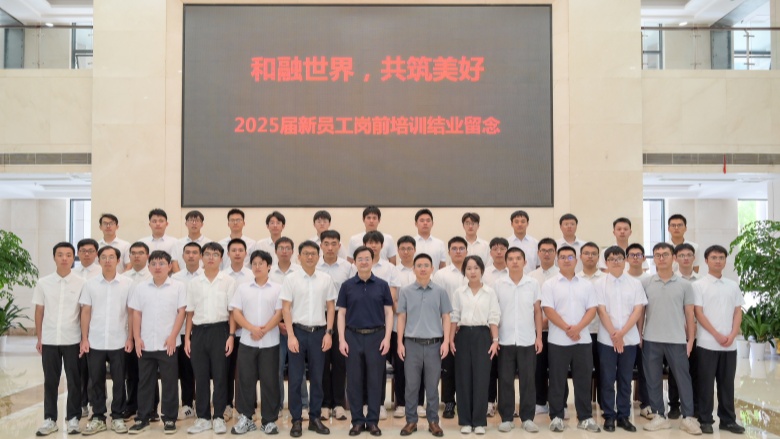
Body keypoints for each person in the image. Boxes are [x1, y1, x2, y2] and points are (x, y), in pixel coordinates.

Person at [641, 243, 702, 435]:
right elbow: (641, 312)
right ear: (653, 259)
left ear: (673, 257)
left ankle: (688, 417)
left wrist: (690, 340)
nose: (661, 258)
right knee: (653, 379)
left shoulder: (685, 285)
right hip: (651, 339)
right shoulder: (646, 283)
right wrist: (640, 335)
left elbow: (690, 314)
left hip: (677, 339)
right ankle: (659, 415)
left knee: (683, 378)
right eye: (657, 255)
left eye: (665, 254)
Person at [280, 241, 337, 437]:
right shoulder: (291, 279)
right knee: (295, 379)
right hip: (297, 332)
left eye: (313, 253)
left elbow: (331, 307)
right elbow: (286, 308)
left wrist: (329, 333)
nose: (310, 257)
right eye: (306, 253)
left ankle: (315, 418)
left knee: (318, 378)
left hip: (319, 333)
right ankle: (296, 420)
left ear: (318, 257)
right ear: (299, 257)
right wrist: (291, 336)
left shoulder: (325, 279)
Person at [541, 246, 600, 433]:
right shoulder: (549, 284)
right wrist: (568, 328)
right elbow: (548, 310)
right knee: (557, 380)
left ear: (576, 260)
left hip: (582, 340)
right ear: (557, 260)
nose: (566, 260)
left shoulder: (586, 285)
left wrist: (578, 328)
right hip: (558, 340)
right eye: (563, 257)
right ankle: (556, 417)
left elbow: (592, 309)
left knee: (583, 380)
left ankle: (585, 417)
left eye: (570, 257)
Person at [128, 251, 186, 434]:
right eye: (154, 264)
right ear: (149, 267)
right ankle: (143, 417)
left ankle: (169, 419)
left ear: (169, 266)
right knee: (145, 382)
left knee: (170, 382)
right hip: (146, 343)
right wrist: (137, 338)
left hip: (168, 343)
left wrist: (173, 336)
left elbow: (181, 313)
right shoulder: (141, 288)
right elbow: (136, 313)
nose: (158, 267)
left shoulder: (178, 287)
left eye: (162, 263)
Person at [338, 246, 394, 437]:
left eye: (367, 258)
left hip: (376, 337)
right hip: (352, 336)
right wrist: (341, 339)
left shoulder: (382, 285)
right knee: (353, 381)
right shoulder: (347, 286)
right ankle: (356, 421)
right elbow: (341, 314)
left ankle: (372, 422)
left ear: (372, 261)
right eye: (360, 259)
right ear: (354, 262)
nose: (363, 262)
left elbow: (389, 312)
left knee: (375, 380)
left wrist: (387, 338)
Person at [79, 246, 134, 435]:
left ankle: (118, 416)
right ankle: (98, 416)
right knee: (96, 380)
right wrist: (84, 338)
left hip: (119, 340)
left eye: (112, 257)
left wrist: (130, 337)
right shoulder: (90, 284)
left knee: (119, 380)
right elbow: (85, 312)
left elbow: (131, 312)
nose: (108, 260)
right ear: (99, 260)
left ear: (118, 261)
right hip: (95, 340)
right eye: (104, 257)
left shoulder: (128, 283)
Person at [33, 242, 86, 436]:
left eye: (68, 255)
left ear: (73, 258)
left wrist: (84, 339)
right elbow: (39, 311)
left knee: (74, 380)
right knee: (50, 381)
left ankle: (73, 418)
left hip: (73, 339)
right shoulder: (43, 283)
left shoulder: (81, 283)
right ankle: (50, 419)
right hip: (49, 339)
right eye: (60, 254)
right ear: (54, 257)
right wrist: (40, 337)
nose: (64, 258)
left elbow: (84, 312)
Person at [397, 253, 452, 437]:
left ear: (432, 268)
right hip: (411, 344)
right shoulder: (405, 291)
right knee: (411, 386)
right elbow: (401, 317)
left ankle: (433, 421)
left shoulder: (440, 291)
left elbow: (446, 316)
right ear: (413, 269)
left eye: (426, 265)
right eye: (419, 265)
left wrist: (445, 341)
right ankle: (411, 421)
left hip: (434, 345)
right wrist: (400, 342)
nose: (422, 268)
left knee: (432, 386)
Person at [184, 242, 237, 434]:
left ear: (221, 258)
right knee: (201, 376)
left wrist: (231, 336)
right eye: (207, 254)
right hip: (198, 332)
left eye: (215, 254)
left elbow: (232, 312)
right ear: (201, 257)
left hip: (220, 331)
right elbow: (190, 312)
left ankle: (219, 417)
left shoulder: (228, 281)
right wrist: (187, 338)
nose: (211, 257)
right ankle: (203, 418)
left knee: (221, 376)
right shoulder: (194, 283)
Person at [230, 250, 284, 435]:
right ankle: (246, 417)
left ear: (269, 266)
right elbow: (236, 312)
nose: (257, 266)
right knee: (245, 380)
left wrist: (264, 330)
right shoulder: (243, 288)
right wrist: (252, 328)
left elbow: (279, 313)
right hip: (247, 342)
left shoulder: (277, 288)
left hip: (270, 343)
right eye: (254, 263)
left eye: (261, 263)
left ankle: (269, 420)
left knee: (270, 381)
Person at [694, 245, 745, 435]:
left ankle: (728, 420)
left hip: (729, 345)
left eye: (721, 257)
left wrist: (733, 334)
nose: (718, 261)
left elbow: (738, 311)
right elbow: (698, 313)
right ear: (706, 261)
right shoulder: (698, 285)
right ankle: (705, 419)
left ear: (725, 260)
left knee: (727, 384)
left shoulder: (732, 285)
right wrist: (716, 334)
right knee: (705, 385)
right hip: (707, 343)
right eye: (714, 257)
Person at [595, 246, 646, 433]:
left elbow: (638, 310)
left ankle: (624, 415)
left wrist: (622, 334)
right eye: (611, 259)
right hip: (606, 340)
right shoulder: (599, 283)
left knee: (625, 378)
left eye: (619, 258)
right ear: (606, 262)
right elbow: (601, 311)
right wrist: (614, 335)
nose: (615, 262)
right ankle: (609, 415)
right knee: (607, 379)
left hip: (629, 339)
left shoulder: (635, 284)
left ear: (625, 261)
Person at [494, 247, 543, 433]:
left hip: (527, 339)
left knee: (528, 380)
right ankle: (506, 418)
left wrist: (539, 337)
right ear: (506, 262)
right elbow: (494, 313)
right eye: (511, 259)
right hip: (505, 340)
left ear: (525, 262)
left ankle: (528, 418)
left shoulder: (533, 284)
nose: (515, 261)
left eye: (518, 258)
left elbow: (537, 312)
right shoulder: (498, 284)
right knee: (505, 380)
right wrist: (494, 338)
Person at [450, 255, 500, 435]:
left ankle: (479, 421)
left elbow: (494, 317)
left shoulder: (490, 292)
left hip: (482, 336)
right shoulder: (459, 292)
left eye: (476, 268)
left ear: (482, 270)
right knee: (463, 379)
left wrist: (495, 341)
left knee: (481, 379)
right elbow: (454, 317)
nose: (472, 271)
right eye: (469, 268)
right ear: (464, 271)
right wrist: (450, 339)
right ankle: (465, 421)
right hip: (463, 335)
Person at [431, 237, 469, 419]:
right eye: (454, 248)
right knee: (448, 367)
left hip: (468, 327)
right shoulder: (441, 275)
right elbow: (437, 301)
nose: (458, 251)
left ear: (467, 251)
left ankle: (464, 401)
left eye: (461, 248)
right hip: (446, 327)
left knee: (466, 367)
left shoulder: (474, 270)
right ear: (449, 252)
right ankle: (448, 402)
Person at [317, 230, 352, 421]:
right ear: (321, 245)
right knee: (322, 362)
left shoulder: (348, 267)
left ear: (339, 246)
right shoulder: (314, 265)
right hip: (318, 316)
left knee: (340, 361)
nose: (330, 247)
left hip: (341, 316)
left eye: (334, 244)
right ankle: (324, 404)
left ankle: (338, 404)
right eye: (326, 243)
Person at [121, 242, 156, 422]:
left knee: (150, 372)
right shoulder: (123, 278)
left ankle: (152, 407)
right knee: (132, 371)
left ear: (147, 256)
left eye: (140, 253)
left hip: (149, 331)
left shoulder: (154, 275)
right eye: (133, 253)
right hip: (128, 332)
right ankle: (132, 404)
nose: (136, 256)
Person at [393, 236, 426, 419]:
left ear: (414, 250)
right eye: (402, 248)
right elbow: (393, 299)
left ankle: (419, 403)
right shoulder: (394, 272)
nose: (406, 252)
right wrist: (403, 312)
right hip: (399, 326)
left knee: (420, 367)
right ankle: (401, 403)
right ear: (398, 251)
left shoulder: (421, 269)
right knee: (400, 366)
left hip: (420, 326)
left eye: (409, 248)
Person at [223, 238, 255, 419]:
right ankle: (227, 405)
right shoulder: (222, 275)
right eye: (233, 250)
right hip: (227, 331)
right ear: (228, 254)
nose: (237, 253)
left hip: (247, 331)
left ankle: (247, 407)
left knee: (246, 372)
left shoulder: (252, 275)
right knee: (226, 370)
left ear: (245, 253)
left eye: (240, 250)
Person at [170, 242, 201, 421]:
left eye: (195, 252)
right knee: (186, 370)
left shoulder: (207, 275)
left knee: (202, 369)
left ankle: (202, 403)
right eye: (187, 252)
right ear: (182, 256)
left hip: (202, 330)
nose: (191, 255)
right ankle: (187, 404)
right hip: (181, 330)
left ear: (200, 256)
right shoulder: (175, 278)